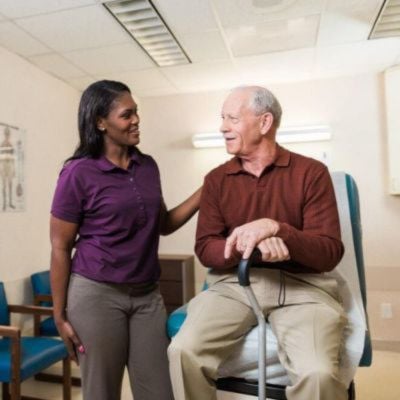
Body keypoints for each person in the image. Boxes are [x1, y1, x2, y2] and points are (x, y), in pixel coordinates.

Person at [168, 86, 348, 400]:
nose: (222, 127)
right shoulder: (215, 180)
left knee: (318, 374)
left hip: (302, 288)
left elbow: (329, 252)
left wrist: (280, 231)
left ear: (264, 123)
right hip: (235, 285)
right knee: (182, 351)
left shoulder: (312, 173)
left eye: (232, 118)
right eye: (222, 118)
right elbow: (205, 246)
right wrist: (241, 244)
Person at [50, 80, 201, 400]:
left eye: (137, 112)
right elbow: (60, 247)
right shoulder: (78, 173)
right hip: (96, 295)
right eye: (126, 114)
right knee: (102, 393)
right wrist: (59, 314)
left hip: (147, 296)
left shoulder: (147, 167)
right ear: (100, 122)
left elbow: (163, 224)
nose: (136, 120)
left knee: (160, 392)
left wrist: (205, 192)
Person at [0, 126, 16, 211]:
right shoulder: (2, 144)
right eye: (6, 134)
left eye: (8, 134)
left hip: (9, 165)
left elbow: (13, 158)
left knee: (10, 185)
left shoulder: (10, 144)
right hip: (3, 165)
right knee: (4, 185)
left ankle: (10, 203)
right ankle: (4, 204)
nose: (7, 135)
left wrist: (14, 169)